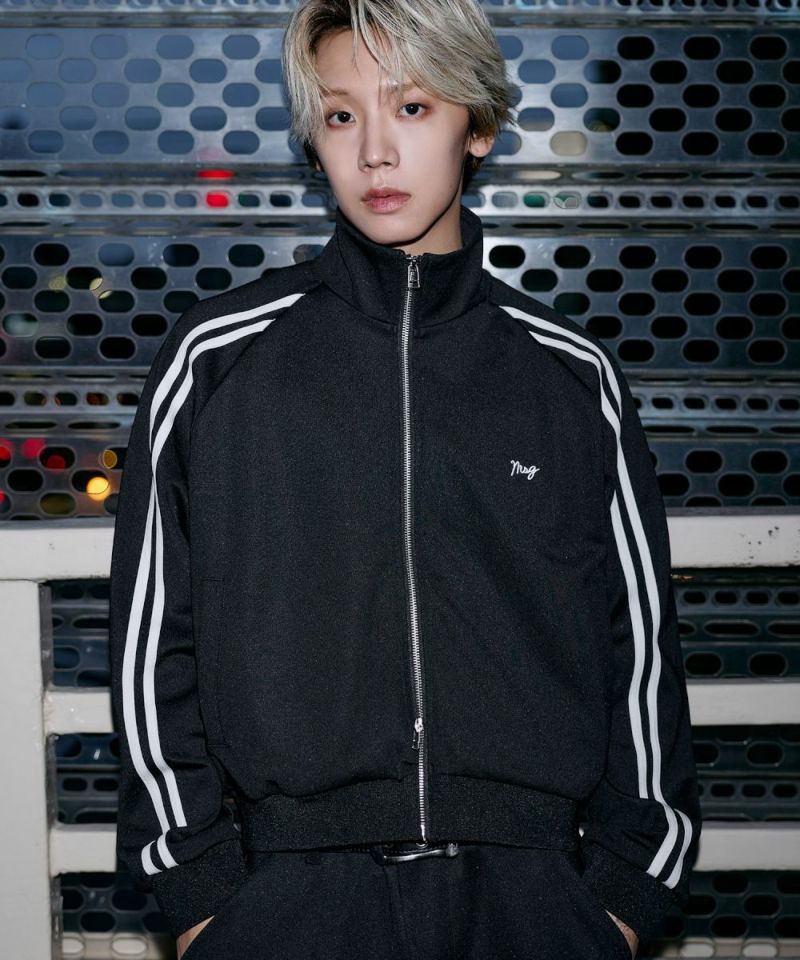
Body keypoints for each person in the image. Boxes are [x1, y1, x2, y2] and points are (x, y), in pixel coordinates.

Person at [108, 1, 702, 958]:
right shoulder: (217, 361)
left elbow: (640, 648)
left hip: (534, 900)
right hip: (287, 901)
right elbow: (151, 644)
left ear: (480, 126)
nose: (375, 152)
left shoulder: (568, 374)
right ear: (313, 139)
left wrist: (625, 897)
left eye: (413, 108)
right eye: (342, 115)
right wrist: (199, 896)